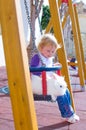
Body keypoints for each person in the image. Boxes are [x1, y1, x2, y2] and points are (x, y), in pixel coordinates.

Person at [30, 33, 80, 123]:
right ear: (41, 48)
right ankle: (68, 115)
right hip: (38, 83)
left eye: (53, 51)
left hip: (46, 82)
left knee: (66, 91)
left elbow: (47, 67)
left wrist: (53, 65)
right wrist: (40, 74)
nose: (50, 54)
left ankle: (69, 112)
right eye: (48, 51)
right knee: (60, 92)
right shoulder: (37, 57)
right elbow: (32, 69)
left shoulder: (48, 58)